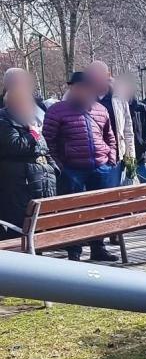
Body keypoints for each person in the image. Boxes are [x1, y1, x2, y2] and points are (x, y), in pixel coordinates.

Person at [42, 72, 120, 261]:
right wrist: (59, 165)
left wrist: (111, 156)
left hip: (100, 167)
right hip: (71, 169)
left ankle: (98, 247)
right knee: (72, 212)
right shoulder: (57, 111)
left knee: (99, 210)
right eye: (79, 88)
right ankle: (74, 251)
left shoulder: (101, 110)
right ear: (72, 89)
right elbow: (48, 141)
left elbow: (109, 136)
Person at [0, 87, 57, 239]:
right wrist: (33, 134)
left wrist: (53, 167)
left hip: (41, 180)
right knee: (20, 222)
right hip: (20, 183)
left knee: (38, 221)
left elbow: (43, 148)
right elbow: (15, 145)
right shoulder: (4, 120)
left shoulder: (29, 120)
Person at [86, 61, 134, 183]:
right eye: (91, 75)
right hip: (90, 161)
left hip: (116, 158)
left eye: (97, 75)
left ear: (107, 75)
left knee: (115, 197)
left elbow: (128, 130)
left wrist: (131, 159)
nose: (94, 78)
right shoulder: (83, 97)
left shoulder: (118, 98)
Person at [122, 77, 146, 183]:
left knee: (143, 189)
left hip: (140, 157)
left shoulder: (142, 108)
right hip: (122, 160)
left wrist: (145, 144)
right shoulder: (116, 108)